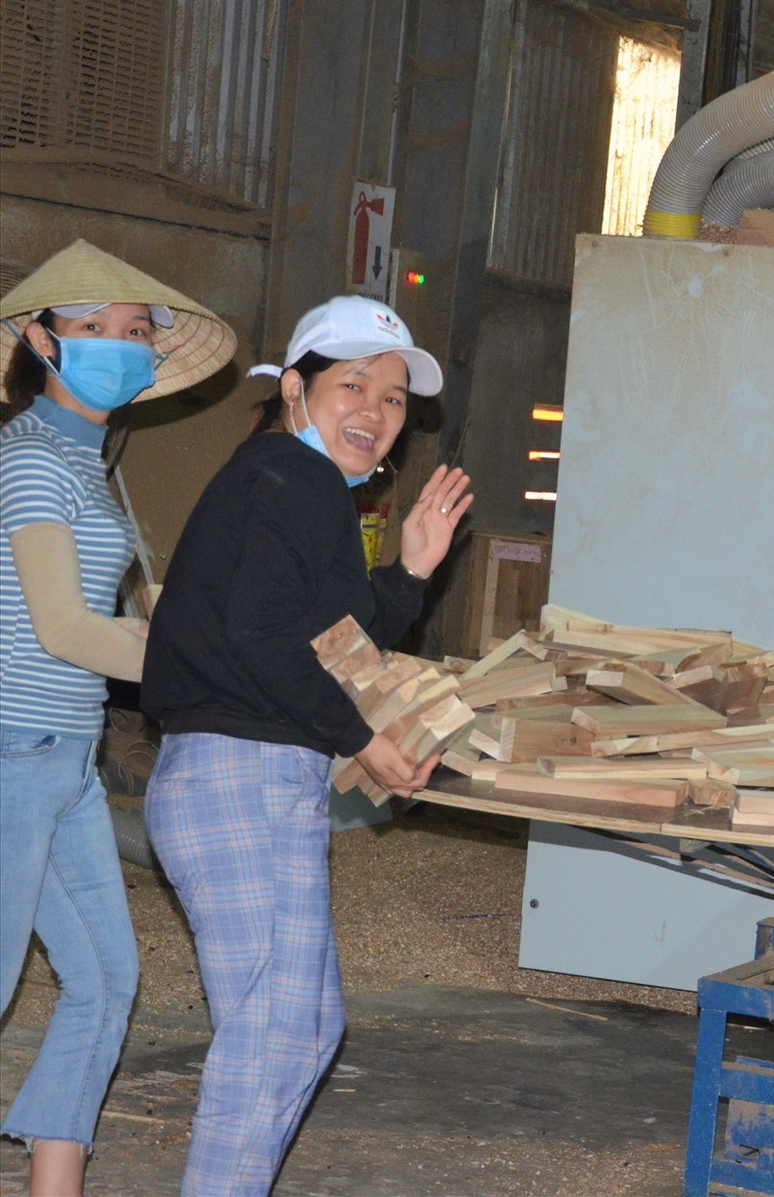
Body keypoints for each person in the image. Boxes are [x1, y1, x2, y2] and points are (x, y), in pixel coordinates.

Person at [139, 295, 473, 1195]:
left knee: (308, 1023)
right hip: (238, 776)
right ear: (294, 388)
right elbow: (261, 639)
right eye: (353, 384)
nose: (376, 411)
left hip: (246, 778)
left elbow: (337, 642)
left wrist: (408, 569)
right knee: (276, 1031)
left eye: (397, 397)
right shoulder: (294, 477)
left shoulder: (285, 483)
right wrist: (366, 740)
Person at [1, 241, 235, 1194]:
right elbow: (60, 628)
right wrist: (207, 660)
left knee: (104, 979)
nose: (120, 344)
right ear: (38, 339)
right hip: (13, 751)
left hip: (66, 764)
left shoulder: (92, 469)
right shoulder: (25, 461)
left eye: (135, 332)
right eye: (95, 326)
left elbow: (132, 615)